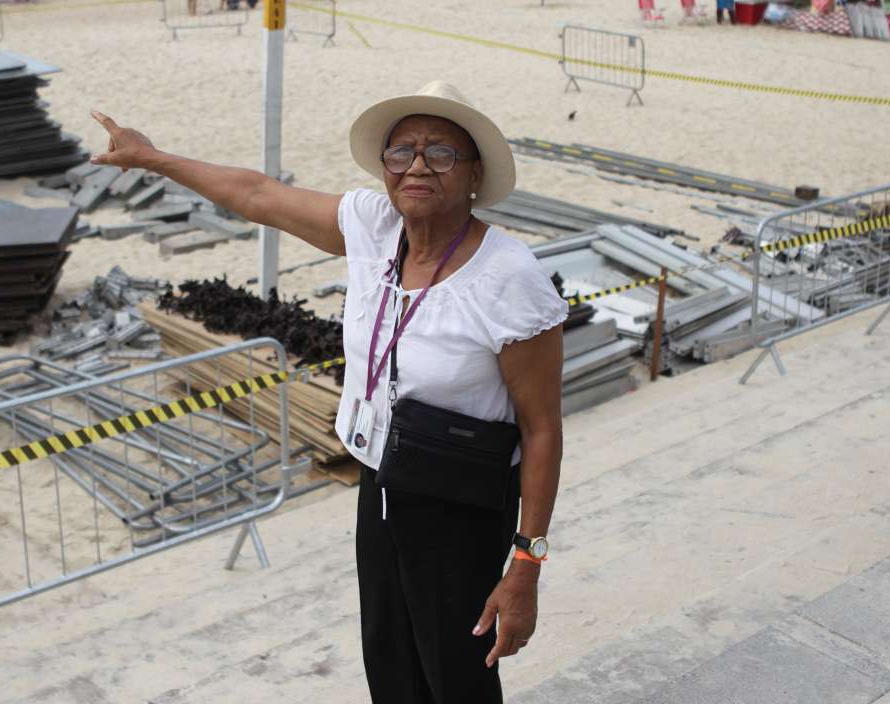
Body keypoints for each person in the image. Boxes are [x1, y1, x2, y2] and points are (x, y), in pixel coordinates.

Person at [88, 79, 565, 704]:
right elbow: (257, 194)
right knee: (391, 667)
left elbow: (542, 430)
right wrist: (154, 159)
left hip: (462, 507)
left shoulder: (509, 277)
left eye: (441, 153)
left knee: (457, 681)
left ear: (474, 173)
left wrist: (526, 564)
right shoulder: (373, 228)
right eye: (402, 152)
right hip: (382, 484)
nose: (417, 166)